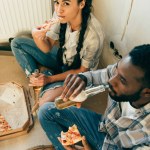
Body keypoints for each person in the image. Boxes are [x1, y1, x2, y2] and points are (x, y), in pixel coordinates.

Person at [38, 44, 150, 150]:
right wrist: (82, 78)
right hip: (104, 126)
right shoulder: (124, 72)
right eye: (116, 70)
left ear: (147, 93)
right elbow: (99, 75)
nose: (111, 80)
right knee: (45, 111)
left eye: (122, 81)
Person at [11, 0, 104, 106]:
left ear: (82, 4)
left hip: (78, 75)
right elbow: (47, 48)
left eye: (66, 3)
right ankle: (37, 78)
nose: (59, 9)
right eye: (57, 2)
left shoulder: (94, 36)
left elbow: (82, 71)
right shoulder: (60, 14)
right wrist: (37, 37)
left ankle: (48, 78)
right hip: (62, 58)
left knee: (43, 102)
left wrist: (49, 79)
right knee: (16, 43)